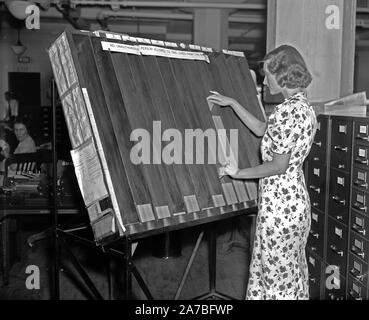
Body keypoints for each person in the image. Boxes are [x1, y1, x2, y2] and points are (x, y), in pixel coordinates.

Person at [207, 45, 317, 300]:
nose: (265, 81)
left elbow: (278, 165)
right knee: (290, 274)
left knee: (276, 280)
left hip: (280, 208)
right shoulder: (302, 107)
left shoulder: (288, 112)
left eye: (268, 74)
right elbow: (261, 129)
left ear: (283, 75)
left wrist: (237, 172)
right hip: (294, 203)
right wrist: (232, 103)